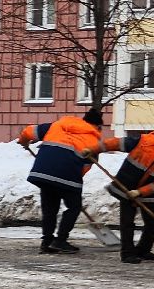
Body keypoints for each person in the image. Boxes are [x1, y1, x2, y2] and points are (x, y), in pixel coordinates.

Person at [18, 107, 120, 254]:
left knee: (50, 209)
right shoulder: (93, 140)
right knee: (74, 207)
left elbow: (28, 131)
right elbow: (85, 167)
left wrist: (24, 141)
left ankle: (47, 242)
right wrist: (70, 181)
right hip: (69, 176)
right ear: (98, 126)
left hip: (43, 172)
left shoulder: (57, 125)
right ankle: (60, 240)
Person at [109, 129, 154, 264]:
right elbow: (115, 143)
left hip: (150, 192)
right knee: (127, 222)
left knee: (151, 222)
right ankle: (127, 253)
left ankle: (143, 250)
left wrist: (140, 192)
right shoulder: (145, 141)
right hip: (127, 187)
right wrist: (92, 149)